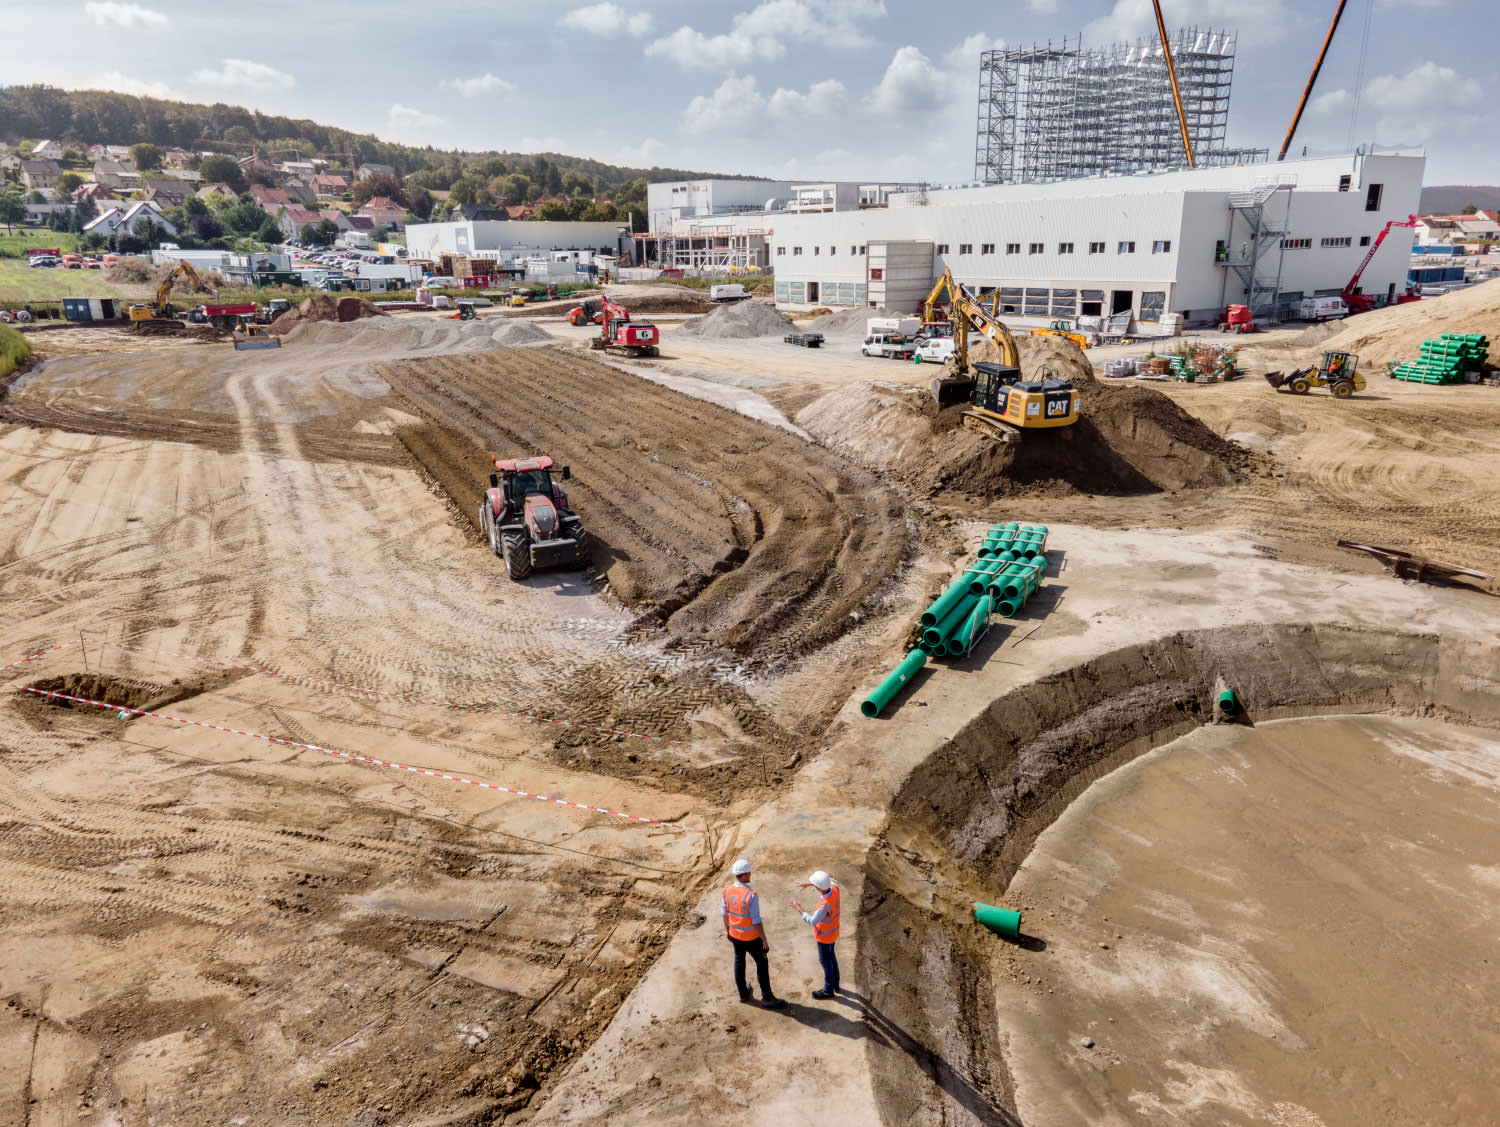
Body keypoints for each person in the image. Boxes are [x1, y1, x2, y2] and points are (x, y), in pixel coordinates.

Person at [722, 858, 785, 1009]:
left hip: (736, 935)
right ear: (743, 875)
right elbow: (756, 921)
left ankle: (743, 993)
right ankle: (767, 998)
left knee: (739, 962)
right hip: (751, 937)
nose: (750, 875)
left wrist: (728, 931)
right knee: (762, 964)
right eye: (748, 873)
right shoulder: (751, 895)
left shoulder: (726, 890)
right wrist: (764, 940)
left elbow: (724, 913)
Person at [791, 870, 840, 999]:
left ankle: (828, 990)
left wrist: (798, 908)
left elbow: (812, 921)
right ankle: (836, 983)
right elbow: (829, 883)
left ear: (818, 888)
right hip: (834, 933)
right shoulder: (834, 889)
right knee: (832, 956)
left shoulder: (824, 907)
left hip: (824, 937)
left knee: (825, 961)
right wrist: (809, 883)